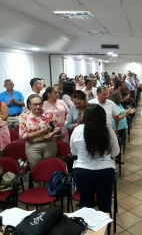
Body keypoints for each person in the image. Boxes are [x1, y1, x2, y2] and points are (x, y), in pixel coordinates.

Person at [70, 104, 119, 235]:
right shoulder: (108, 130)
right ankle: (105, 232)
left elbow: (73, 151)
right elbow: (116, 152)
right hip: (105, 172)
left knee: (85, 206)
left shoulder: (78, 130)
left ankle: (87, 232)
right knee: (105, 205)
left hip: (82, 172)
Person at [19, 94, 60, 170]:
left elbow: (58, 128)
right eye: (35, 104)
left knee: (49, 168)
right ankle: (36, 182)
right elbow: (22, 136)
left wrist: (52, 133)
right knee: (36, 170)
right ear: (29, 105)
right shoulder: (24, 116)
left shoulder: (49, 113)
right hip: (32, 147)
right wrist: (40, 132)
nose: (38, 106)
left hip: (49, 144)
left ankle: (49, 182)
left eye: (40, 104)